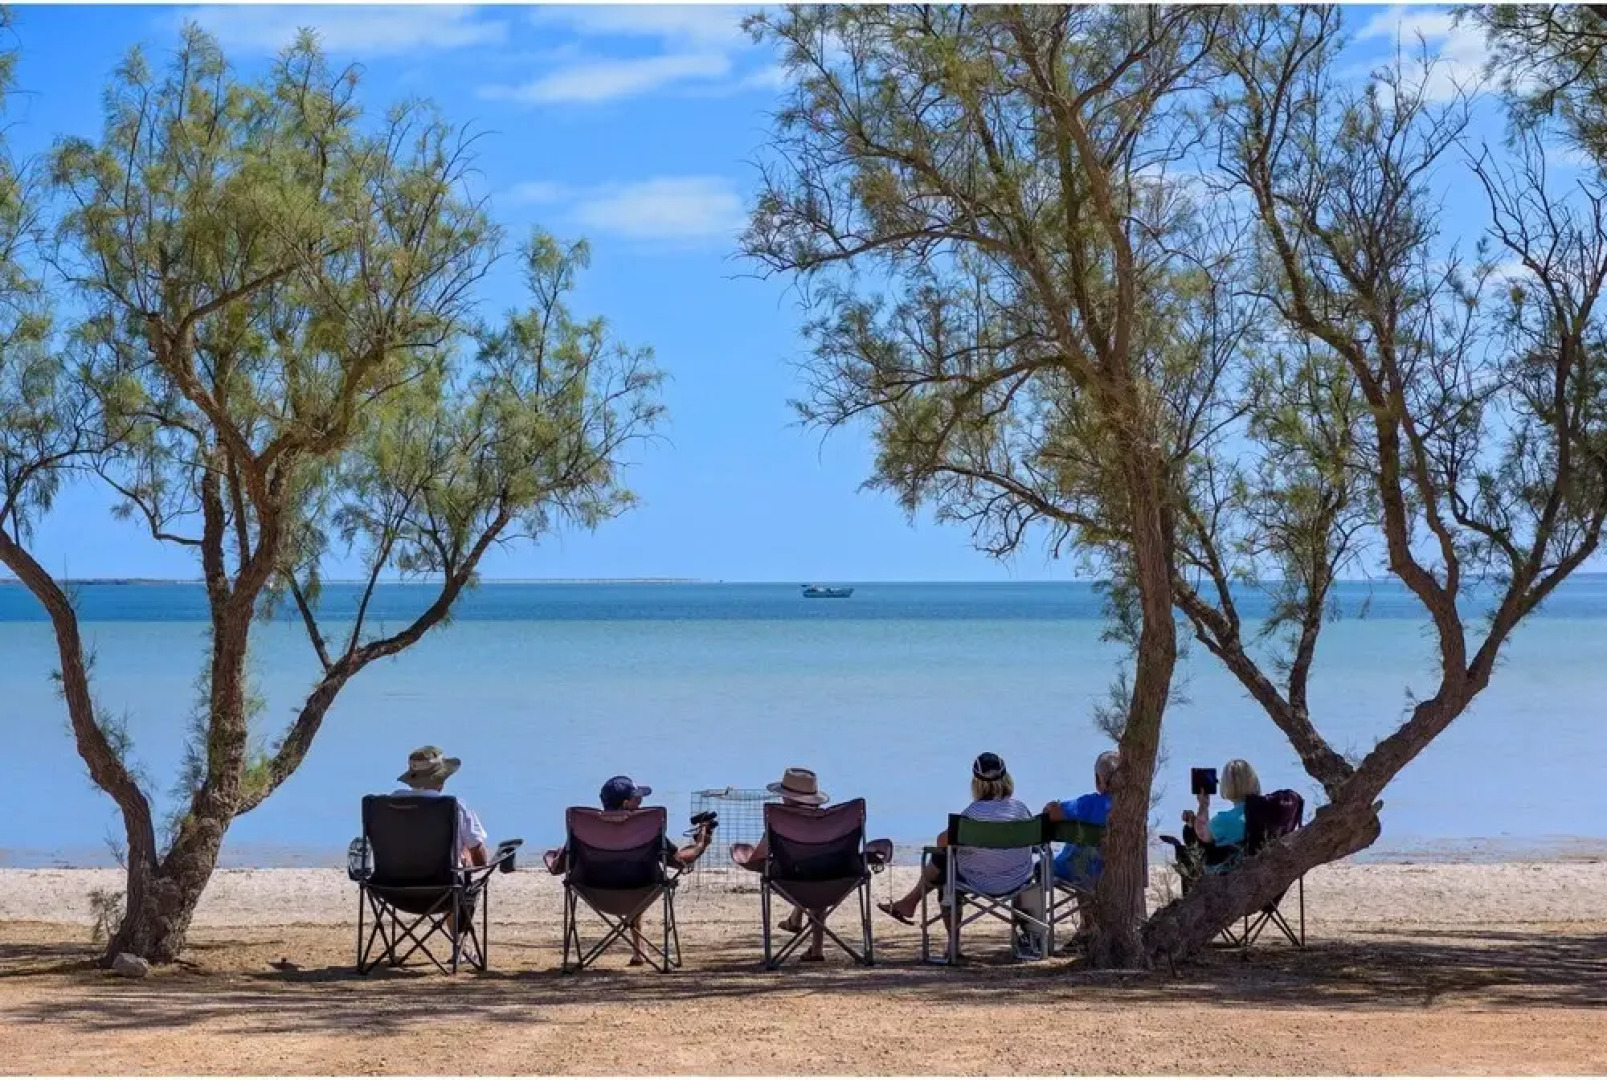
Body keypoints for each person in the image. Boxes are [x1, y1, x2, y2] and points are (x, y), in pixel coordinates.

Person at [876, 752, 1033, 943]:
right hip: (1017, 881)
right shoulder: (1020, 810)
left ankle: (952, 944)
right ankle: (1031, 937)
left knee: (943, 866)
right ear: (1007, 779)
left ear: (976, 783)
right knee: (947, 861)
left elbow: (941, 841)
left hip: (975, 881)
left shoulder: (973, 814)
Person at [599, 774, 714, 966]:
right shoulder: (646, 828)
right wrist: (701, 842)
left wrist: (553, 857)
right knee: (637, 877)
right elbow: (679, 862)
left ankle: (639, 949)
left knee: (628, 873)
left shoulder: (588, 826)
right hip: (641, 890)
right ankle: (640, 949)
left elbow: (561, 865)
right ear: (627, 803)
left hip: (596, 893)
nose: (641, 801)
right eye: (637, 797)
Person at [731, 767, 832, 961]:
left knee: (796, 873)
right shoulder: (829, 821)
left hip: (790, 881)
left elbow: (759, 856)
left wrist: (742, 856)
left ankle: (796, 921)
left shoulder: (779, 821)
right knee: (818, 875)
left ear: (786, 797)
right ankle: (816, 947)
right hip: (834, 882)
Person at [1169, 757, 1261, 888]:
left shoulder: (1224, 820)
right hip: (1254, 876)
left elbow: (1202, 834)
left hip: (1226, 879)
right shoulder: (1262, 813)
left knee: (1190, 841)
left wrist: (1203, 805)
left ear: (1227, 785)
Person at [393, 745, 489, 868]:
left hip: (391, 882)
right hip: (444, 881)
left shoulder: (390, 804)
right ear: (441, 779)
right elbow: (477, 853)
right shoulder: (455, 806)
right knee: (466, 841)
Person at [1045, 749, 1118, 889]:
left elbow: (1053, 813)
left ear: (1098, 779)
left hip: (1072, 872)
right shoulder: (1130, 810)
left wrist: (1050, 806)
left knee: (1038, 868)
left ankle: (1023, 912)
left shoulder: (1089, 803)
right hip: (1109, 875)